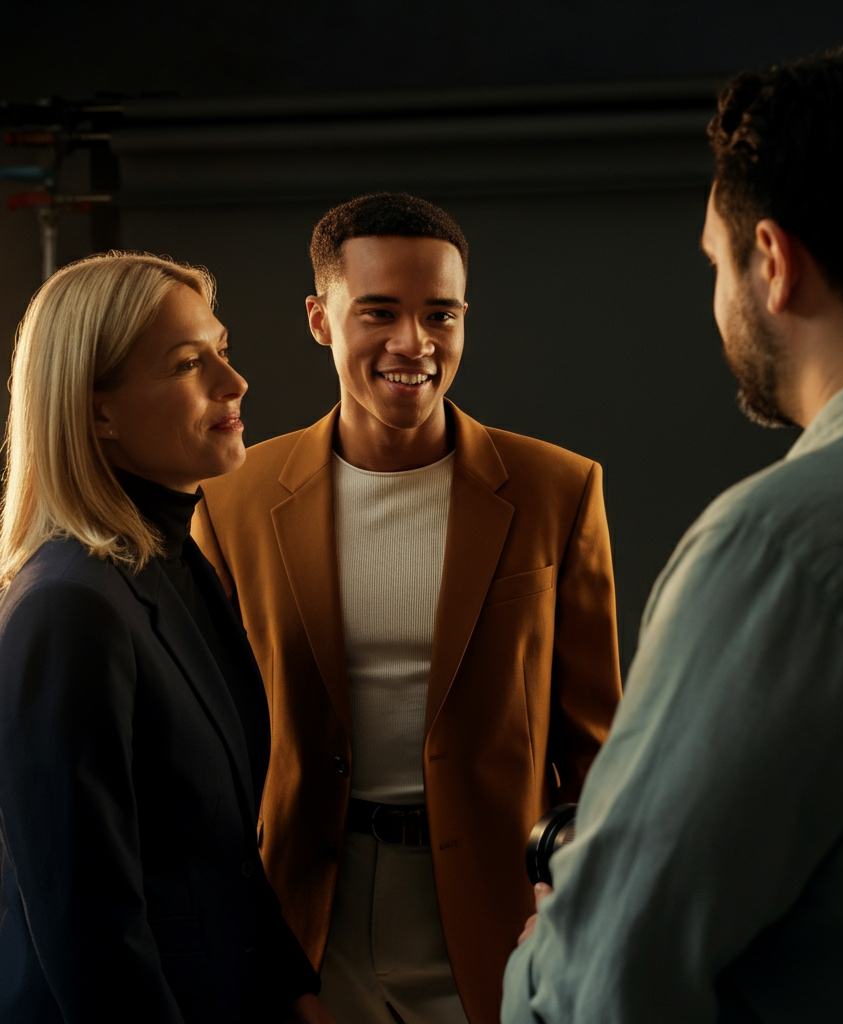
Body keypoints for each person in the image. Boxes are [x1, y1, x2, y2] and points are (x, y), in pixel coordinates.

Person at [502, 51, 843, 1023]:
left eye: (715, 260)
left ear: (773, 264)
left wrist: (539, 961)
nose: (716, 292)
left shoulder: (785, 548)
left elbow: (602, 990)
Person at [192, 192, 622, 1024]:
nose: (412, 344)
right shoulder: (230, 501)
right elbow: (212, 758)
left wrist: (583, 903)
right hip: (306, 912)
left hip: (501, 910)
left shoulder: (558, 490)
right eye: (379, 313)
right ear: (321, 319)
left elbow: (598, 743)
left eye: (440, 315)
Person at [0, 253, 335, 1024]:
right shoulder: (68, 608)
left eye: (221, 348)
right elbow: (90, 929)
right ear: (97, 412)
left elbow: (221, 861)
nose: (234, 381)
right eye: (190, 363)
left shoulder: (177, 570)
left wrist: (295, 993)